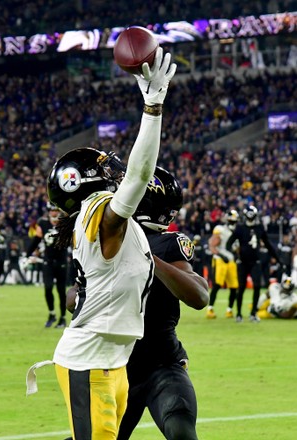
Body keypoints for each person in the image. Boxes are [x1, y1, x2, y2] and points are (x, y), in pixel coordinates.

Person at [26, 47, 177, 440]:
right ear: (88, 183)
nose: (112, 169)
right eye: (103, 167)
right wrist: (152, 108)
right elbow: (140, 175)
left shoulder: (104, 224)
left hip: (113, 359)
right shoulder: (99, 212)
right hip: (89, 361)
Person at [116, 167, 209, 440]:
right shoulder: (108, 243)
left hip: (163, 364)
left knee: (181, 431)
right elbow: (72, 299)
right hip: (116, 367)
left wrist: (148, 258)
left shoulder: (168, 243)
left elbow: (199, 296)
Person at [226, 205, 280, 322]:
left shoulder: (259, 227)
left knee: (257, 286)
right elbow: (228, 243)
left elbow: (268, 245)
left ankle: (253, 313)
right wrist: (235, 255)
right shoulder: (240, 228)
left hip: (255, 261)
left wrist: (278, 259)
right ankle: (239, 313)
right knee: (241, 288)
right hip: (243, 262)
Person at [25, 202, 69, 328]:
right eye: (52, 211)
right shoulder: (43, 223)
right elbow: (36, 240)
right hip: (48, 261)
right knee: (48, 288)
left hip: (61, 261)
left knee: (61, 291)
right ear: (49, 212)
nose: (54, 213)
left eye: (56, 210)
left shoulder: (64, 222)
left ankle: (62, 318)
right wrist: (27, 254)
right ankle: (52, 314)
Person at [206, 210, 239, 319]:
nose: (232, 222)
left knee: (234, 286)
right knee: (217, 285)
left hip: (231, 260)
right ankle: (210, 309)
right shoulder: (221, 230)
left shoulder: (237, 231)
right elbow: (212, 245)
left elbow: (236, 248)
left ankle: (229, 310)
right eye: (231, 220)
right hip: (220, 260)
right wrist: (221, 255)